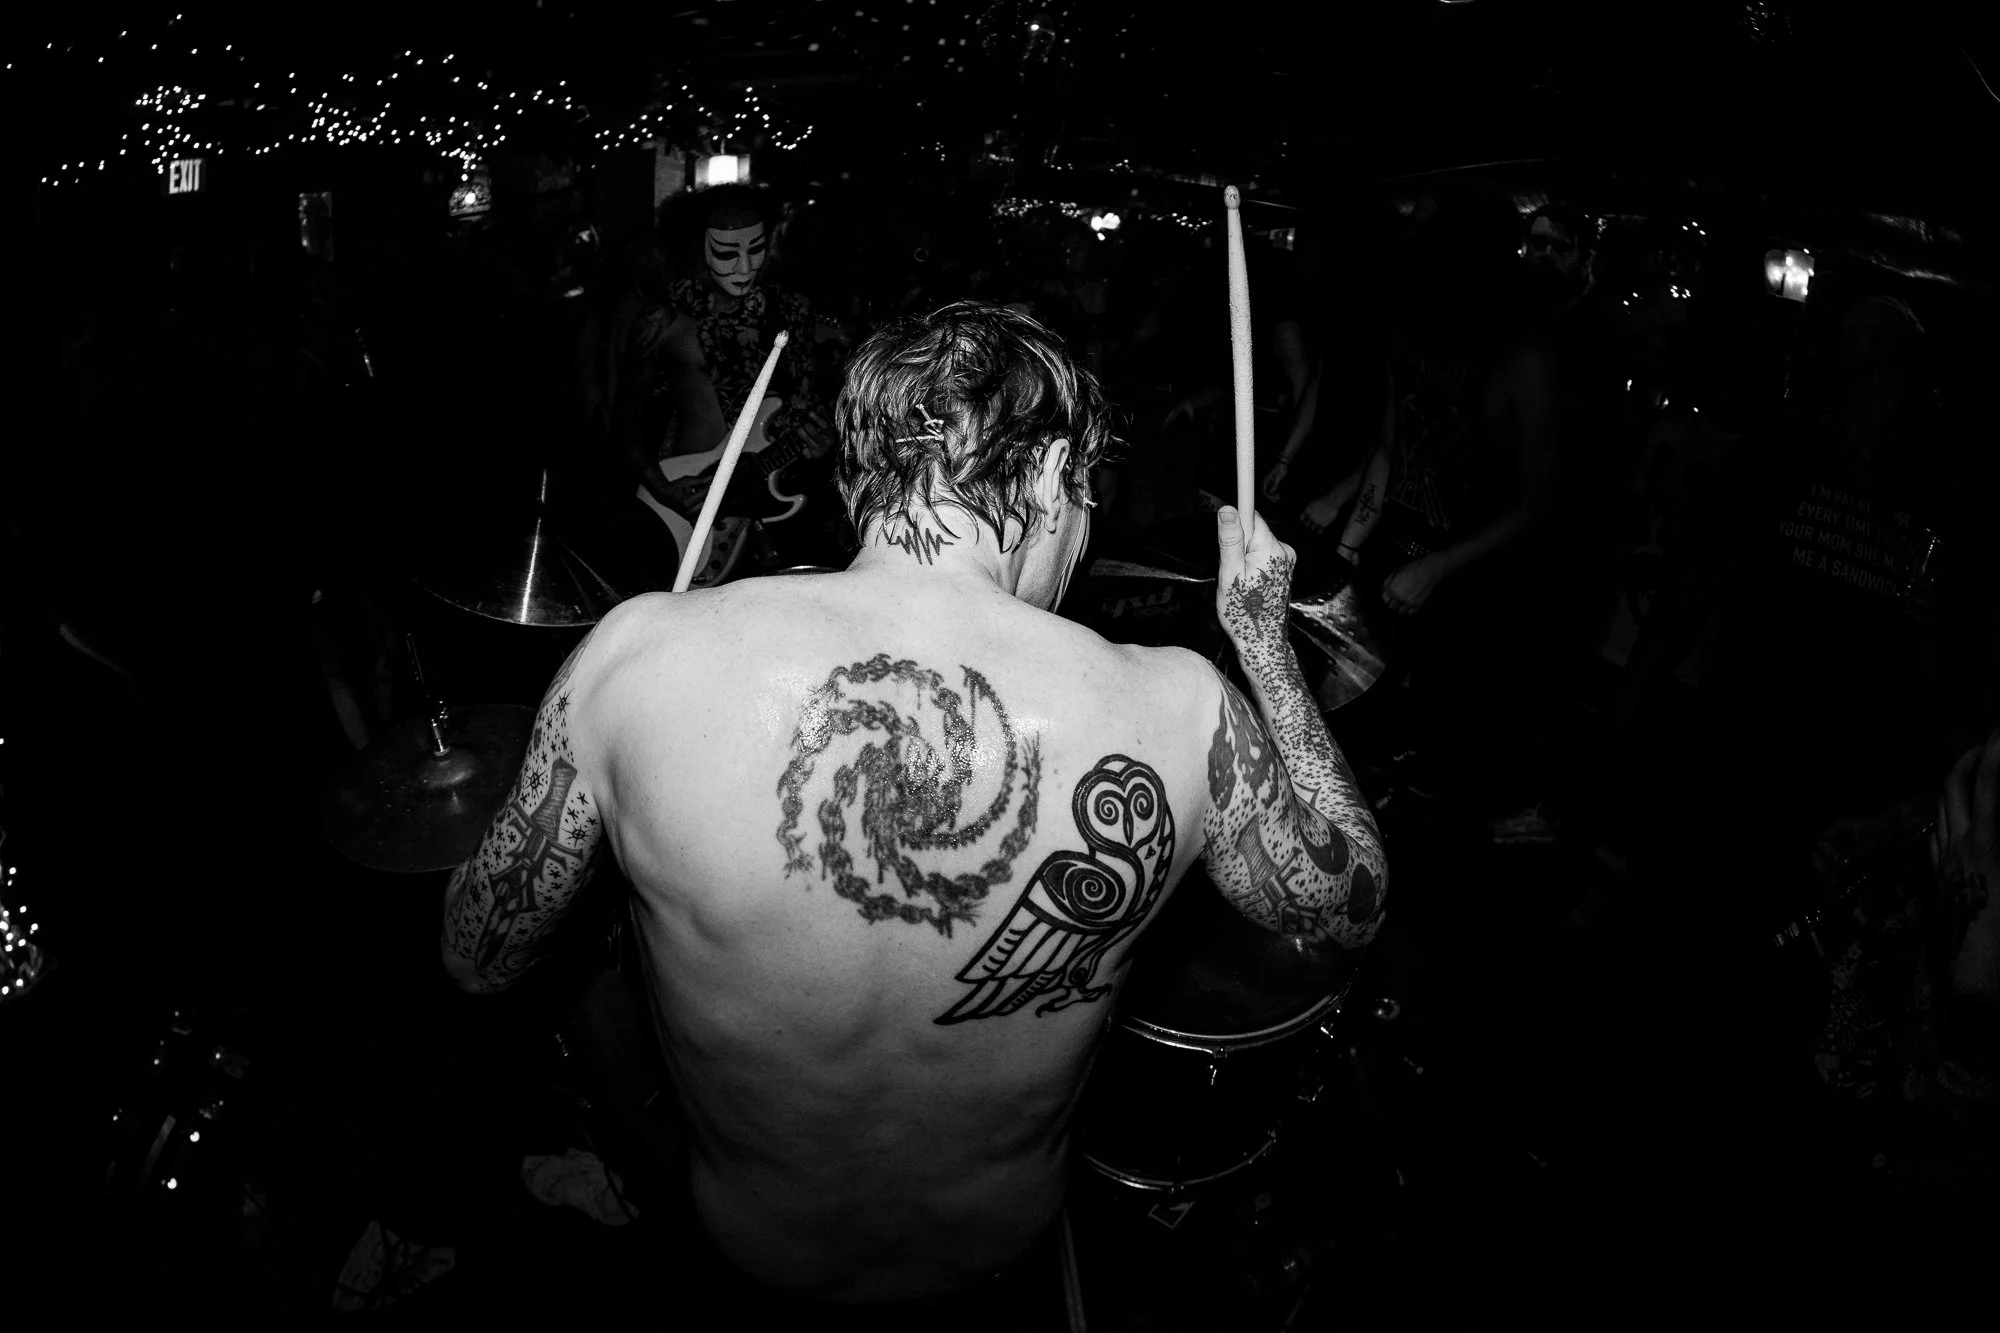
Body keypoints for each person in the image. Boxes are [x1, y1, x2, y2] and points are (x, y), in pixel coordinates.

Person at [438, 302, 1386, 1325]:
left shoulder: (632, 660)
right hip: (989, 1259)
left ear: (858, 477)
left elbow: (479, 952)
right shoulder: (1179, 710)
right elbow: (1348, 903)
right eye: (1083, 494)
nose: (1081, 531)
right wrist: (1264, 644)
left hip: (752, 1253)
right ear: (1049, 472)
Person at [611, 183, 842, 580]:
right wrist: (662, 488)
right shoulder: (663, 321)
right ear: (698, 246)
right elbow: (625, 421)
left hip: (779, 499)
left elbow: (805, 408)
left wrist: (823, 443)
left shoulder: (791, 310)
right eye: (726, 251)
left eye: (756, 248)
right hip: (692, 495)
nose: (744, 267)